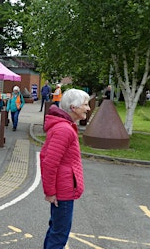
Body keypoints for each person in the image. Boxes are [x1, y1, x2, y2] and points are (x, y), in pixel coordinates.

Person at [40, 89, 90, 249]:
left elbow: (47, 157)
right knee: (59, 234)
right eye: (85, 104)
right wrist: (50, 192)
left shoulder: (65, 127)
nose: (88, 108)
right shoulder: (64, 130)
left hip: (63, 189)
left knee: (56, 229)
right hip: (63, 191)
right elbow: (49, 162)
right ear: (73, 108)